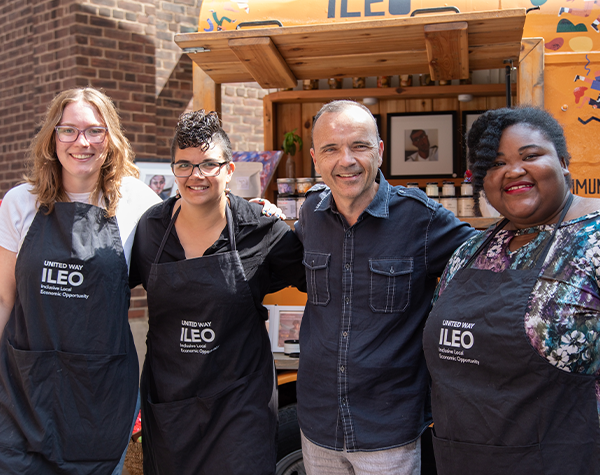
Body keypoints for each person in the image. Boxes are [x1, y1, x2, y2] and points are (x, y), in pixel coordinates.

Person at [294, 100, 476, 474]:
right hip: (318, 424)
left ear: (379, 151)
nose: (346, 160)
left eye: (359, 146)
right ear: (315, 158)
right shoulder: (309, 213)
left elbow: (487, 263)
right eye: (331, 149)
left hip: (388, 428)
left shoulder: (421, 218)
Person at [423, 107, 600, 475]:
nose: (514, 171)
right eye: (496, 163)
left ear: (564, 163)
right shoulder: (470, 250)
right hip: (466, 460)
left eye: (531, 156)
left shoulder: (594, 238)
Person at [129, 110, 306, 475]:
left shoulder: (262, 230)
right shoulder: (150, 230)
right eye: (185, 165)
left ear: (229, 170)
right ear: (174, 169)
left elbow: (320, 284)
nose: (196, 175)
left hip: (240, 404)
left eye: (208, 164)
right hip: (172, 403)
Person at [0, 87, 161, 474]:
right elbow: (4, 299)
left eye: (95, 130)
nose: (81, 142)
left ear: (111, 139)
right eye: (68, 130)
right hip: (24, 392)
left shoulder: (137, 202)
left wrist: (253, 212)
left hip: (100, 396)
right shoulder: (20, 202)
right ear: (52, 138)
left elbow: (195, 235)